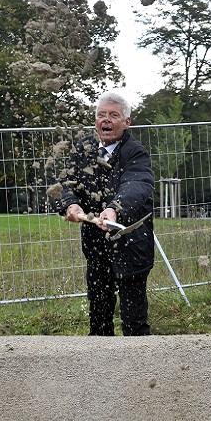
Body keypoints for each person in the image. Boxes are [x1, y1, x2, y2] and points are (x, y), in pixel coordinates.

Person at [57, 92, 155, 336]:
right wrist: (70, 204)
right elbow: (67, 183)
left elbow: (137, 184)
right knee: (99, 309)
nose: (106, 120)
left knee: (133, 315)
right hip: (95, 241)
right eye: (101, 115)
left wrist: (114, 209)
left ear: (126, 122)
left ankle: (140, 361)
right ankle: (100, 363)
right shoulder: (85, 148)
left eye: (113, 115)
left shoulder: (135, 152)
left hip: (130, 241)